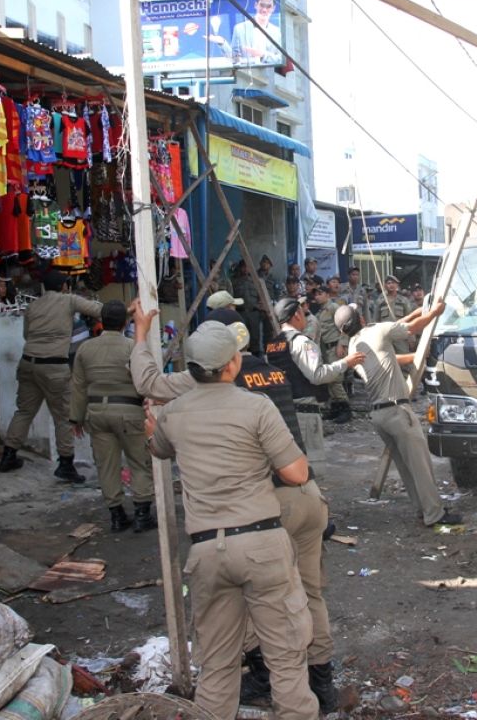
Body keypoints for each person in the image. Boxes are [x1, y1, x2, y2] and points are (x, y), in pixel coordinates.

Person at [149, 321, 317, 720]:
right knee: (287, 660)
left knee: (217, 665)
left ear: (191, 368)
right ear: (233, 363)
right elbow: (296, 474)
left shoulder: (173, 413)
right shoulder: (256, 406)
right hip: (261, 543)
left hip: (206, 551)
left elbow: (156, 448)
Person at [336, 300, 462, 527]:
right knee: (420, 465)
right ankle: (435, 514)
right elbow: (411, 329)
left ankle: (422, 510)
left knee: (406, 466)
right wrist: (434, 312)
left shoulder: (355, 346)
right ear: (361, 319)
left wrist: (416, 347)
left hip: (378, 416)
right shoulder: (377, 332)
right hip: (396, 411)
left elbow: (392, 350)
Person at [1, 270, 102, 481]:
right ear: (64, 286)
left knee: (24, 411)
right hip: (54, 366)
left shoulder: (33, 306)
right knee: (63, 416)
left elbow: (26, 335)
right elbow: (97, 310)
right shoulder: (68, 300)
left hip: (28, 363)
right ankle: (65, 464)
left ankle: (8, 454)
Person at [69, 300, 155, 534]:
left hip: (97, 413)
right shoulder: (133, 347)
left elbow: (78, 385)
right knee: (139, 462)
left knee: (106, 465)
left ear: (101, 322)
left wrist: (75, 418)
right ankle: (142, 514)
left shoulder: (86, 349)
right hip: (129, 412)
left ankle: (117, 516)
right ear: (125, 322)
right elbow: (144, 379)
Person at [313, 287, 353, 423]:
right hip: (325, 349)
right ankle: (336, 409)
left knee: (335, 379)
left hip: (335, 347)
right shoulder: (319, 312)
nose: (317, 297)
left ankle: (346, 410)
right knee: (329, 379)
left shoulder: (334, 307)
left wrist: (342, 344)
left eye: (320, 294)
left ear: (327, 295)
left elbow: (346, 324)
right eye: (316, 295)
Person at [209, 0, 282, 65]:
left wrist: (263, 55)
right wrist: (222, 43)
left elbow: (280, 59)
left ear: (273, 8)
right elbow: (234, 59)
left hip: (267, 75)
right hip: (245, 75)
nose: (264, 10)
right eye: (262, 5)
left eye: (268, 6)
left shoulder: (277, 32)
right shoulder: (240, 28)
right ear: (256, 5)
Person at [371, 276, 414, 353]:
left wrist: (411, 338)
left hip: (400, 335)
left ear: (397, 285)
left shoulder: (404, 301)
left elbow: (410, 319)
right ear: (385, 286)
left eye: (393, 283)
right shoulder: (380, 302)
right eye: (388, 283)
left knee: (404, 358)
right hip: (385, 335)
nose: (391, 285)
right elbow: (375, 320)